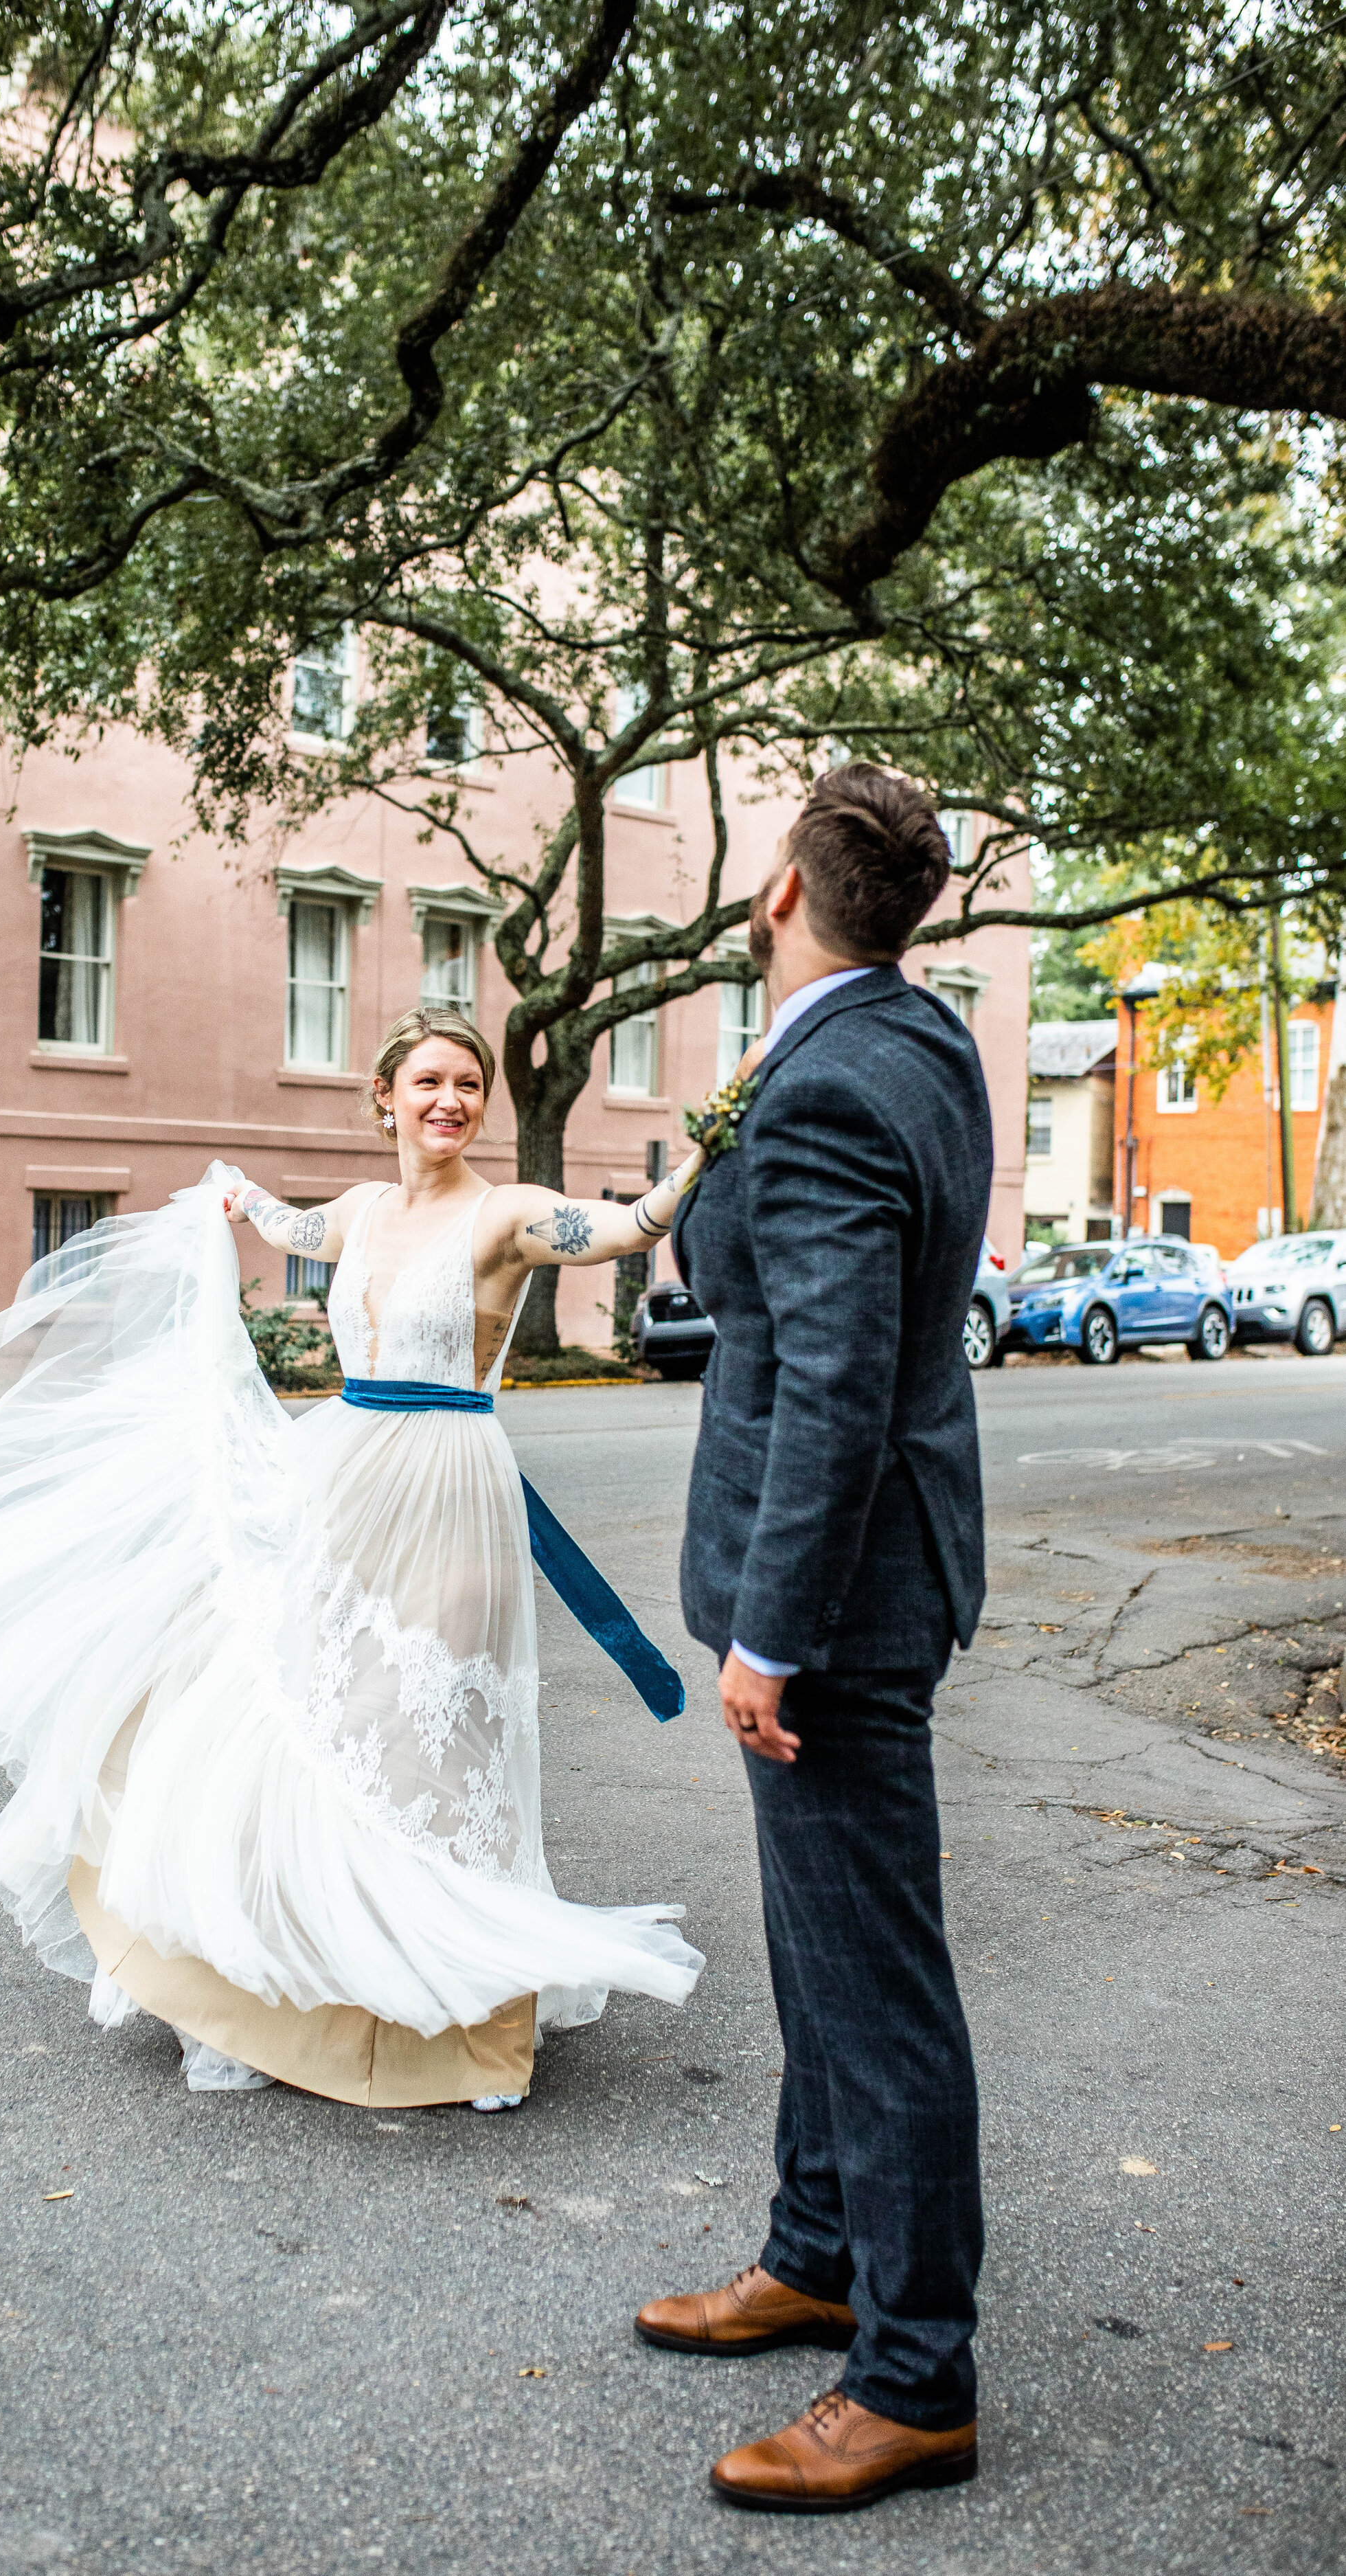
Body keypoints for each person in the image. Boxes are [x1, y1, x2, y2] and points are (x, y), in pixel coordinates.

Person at [0, 1004, 702, 2115]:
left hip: (450, 1490)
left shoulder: (505, 1213)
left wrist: (699, 1153)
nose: (451, 1099)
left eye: (469, 1083)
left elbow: (627, 1226)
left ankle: (449, 2018)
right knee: (311, 1720)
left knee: (426, 1741)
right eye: (429, 1081)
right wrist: (226, 1199)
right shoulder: (362, 1209)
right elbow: (286, 1228)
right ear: (387, 1099)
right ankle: (297, 1993)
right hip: (341, 1478)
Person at [633, 765, 992, 2513]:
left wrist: (769, 1635)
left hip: (834, 1606)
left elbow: (836, 1384)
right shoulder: (910, 1042)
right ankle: (815, 2249)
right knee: (817, 1953)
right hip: (877, 1573)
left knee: (876, 1984)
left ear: (783, 895)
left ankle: (915, 2375)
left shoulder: (830, 1085)